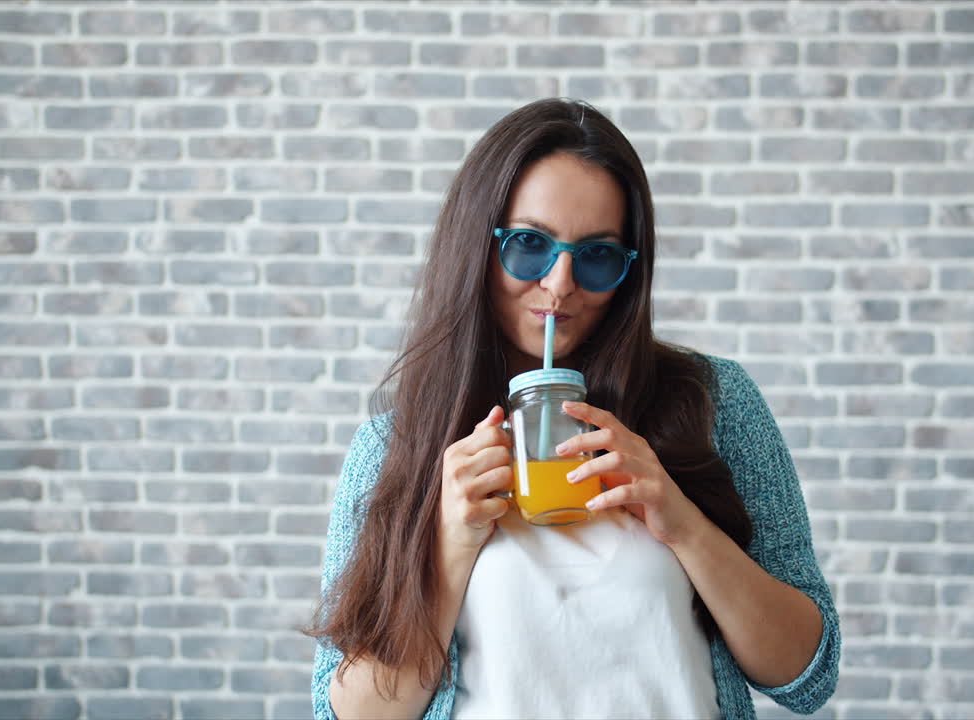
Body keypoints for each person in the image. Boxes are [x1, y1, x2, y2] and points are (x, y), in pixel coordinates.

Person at [307, 98, 839, 720]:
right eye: (529, 244)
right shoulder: (395, 446)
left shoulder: (713, 402)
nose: (560, 283)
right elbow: (342, 712)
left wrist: (684, 525)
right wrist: (449, 545)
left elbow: (808, 677)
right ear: (477, 245)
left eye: (597, 255)